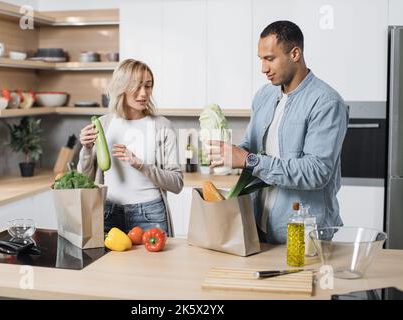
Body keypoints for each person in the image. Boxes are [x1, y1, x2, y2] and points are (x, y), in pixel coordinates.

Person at [208, 20, 349, 244]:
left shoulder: (326, 102)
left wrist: (249, 160)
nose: (263, 68)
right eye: (261, 59)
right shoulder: (264, 95)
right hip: (257, 224)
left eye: (270, 59)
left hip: (302, 230)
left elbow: (316, 171)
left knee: (300, 281)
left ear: (295, 54)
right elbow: (250, 146)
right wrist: (229, 154)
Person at [78, 59, 183, 236]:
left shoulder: (162, 126)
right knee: (106, 264)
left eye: (148, 86)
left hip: (150, 214)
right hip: (108, 212)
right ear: (122, 87)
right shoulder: (103, 124)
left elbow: (177, 183)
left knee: (153, 265)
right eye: (137, 86)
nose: (144, 93)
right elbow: (85, 180)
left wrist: (141, 166)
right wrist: (87, 149)